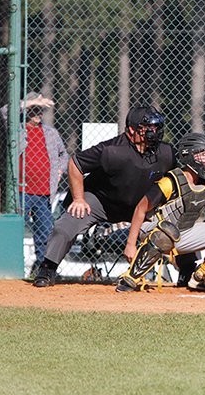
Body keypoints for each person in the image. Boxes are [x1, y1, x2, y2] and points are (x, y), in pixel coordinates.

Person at [32, 106, 176, 288]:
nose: (153, 132)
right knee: (66, 225)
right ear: (132, 130)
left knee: (175, 226)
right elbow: (75, 163)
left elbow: (177, 180)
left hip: (141, 206)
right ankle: (48, 268)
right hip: (101, 202)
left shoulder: (166, 153)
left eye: (156, 127)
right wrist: (78, 199)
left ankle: (187, 270)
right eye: (148, 127)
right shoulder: (112, 150)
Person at [116, 133, 205, 293]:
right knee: (167, 231)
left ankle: (201, 278)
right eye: (203, 153)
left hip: (182, 233)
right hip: (152, 230)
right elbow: (140, 209)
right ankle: (131, 278)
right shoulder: (171, 181)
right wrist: (130, 244)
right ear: (189, 156)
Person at [2, 92, 68, 277]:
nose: (38, 114)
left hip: (44, 192)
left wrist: (60, 170)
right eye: (34, 110)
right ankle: (11, 269)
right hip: (22, 190)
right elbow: (6, 110)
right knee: (15, 230)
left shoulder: (50, 133)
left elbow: (64, 155)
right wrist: (31, 102)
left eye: (40, 111)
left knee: (45, 233)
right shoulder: (17, 129)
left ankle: (43, 270)